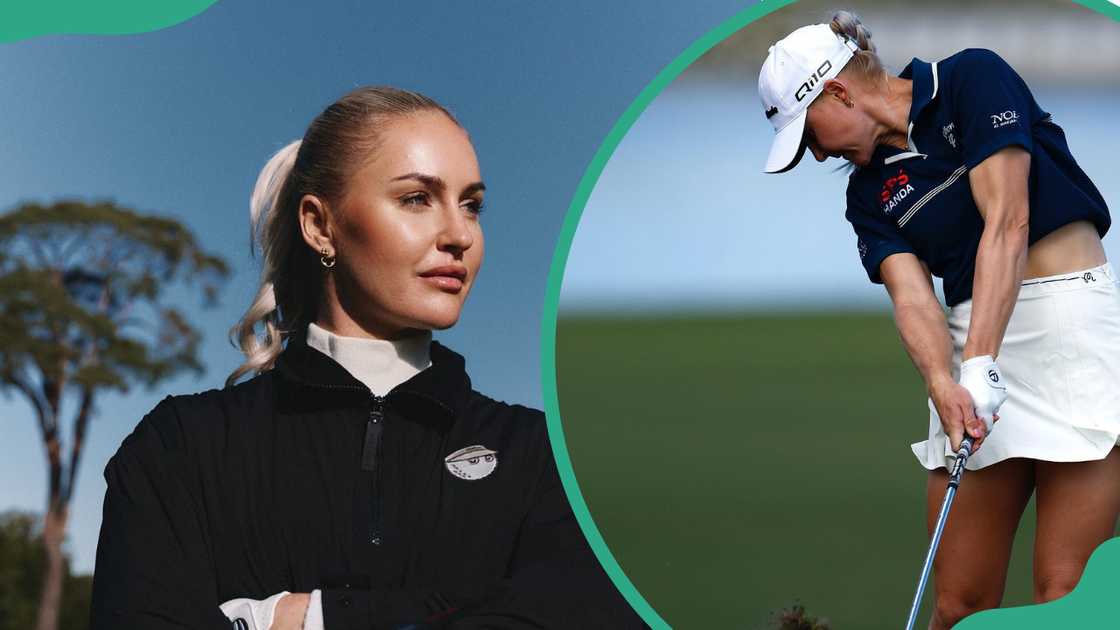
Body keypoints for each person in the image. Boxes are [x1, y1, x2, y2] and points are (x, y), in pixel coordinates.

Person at [89, 86, 643, 630]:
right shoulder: (179, 448)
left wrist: (309, 617)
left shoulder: (550, 461)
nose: (460, 235)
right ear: (319, 225)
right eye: (416, 198)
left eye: (471, 205)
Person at [758, 11, 1120, 630]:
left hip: (1070, 329)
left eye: (808, 135)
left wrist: (978, 361)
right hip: (970, 345)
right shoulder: (866, 194)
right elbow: (912, 298)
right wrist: (943, 383)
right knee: (958, 605)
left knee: (1064, 594)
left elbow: (1008, 219)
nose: (816, 155)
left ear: (837, 91)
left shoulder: (970, 80)